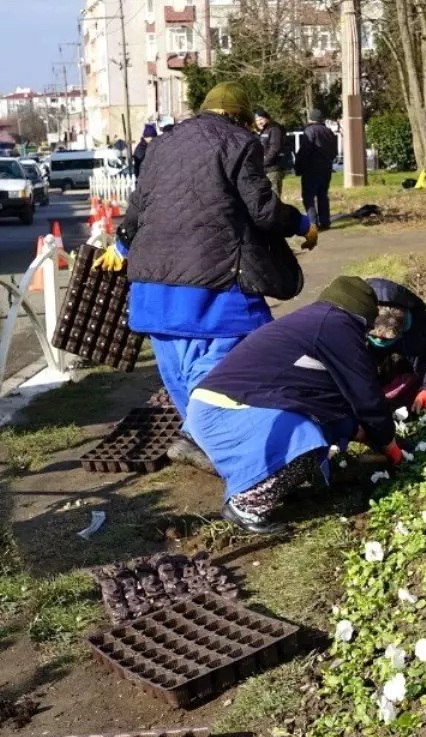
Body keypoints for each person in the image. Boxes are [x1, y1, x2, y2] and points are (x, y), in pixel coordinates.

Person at [96, 81, 318, 471]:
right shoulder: (239, 142)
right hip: (210, 285)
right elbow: (263, 211)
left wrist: (122, 247)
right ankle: (241, 455)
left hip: (151, 287)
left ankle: (199, 439)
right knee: (228, 368)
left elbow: (137, 208)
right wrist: (302, 223)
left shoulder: (162, 143)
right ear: (242, 115)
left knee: (179, 373)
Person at [187, 276, 404, 533]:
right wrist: (389, 443)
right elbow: (366, 395)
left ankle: (274, 481)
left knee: (326, 424)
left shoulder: (319, 320)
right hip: (225, 411)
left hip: (220, 406)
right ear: (364, 317)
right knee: (307, 444)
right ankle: (246, 506)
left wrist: (362, 433)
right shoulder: (338, 327)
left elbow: (334, 400)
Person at [364, 277, 426, 413]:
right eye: (375, 337)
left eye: (386, 338)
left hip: (411, 375)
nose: (379, 341)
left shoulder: (421, 326)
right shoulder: (353, 322)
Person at [296, 108, 337, 230]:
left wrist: (299, 167)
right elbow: (334, 152)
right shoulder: (329, 132)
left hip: (311, 168)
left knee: (308, 197)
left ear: (311, 118)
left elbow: (305, 151)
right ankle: (325, 222)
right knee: (323, 195)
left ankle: (313, 223)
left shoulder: (310, 131)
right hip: (326, 168)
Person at [255, 109, 288, 197]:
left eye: (261, 119)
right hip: (264, 169)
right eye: (257, 120)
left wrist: (263, 163)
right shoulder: (262, 131)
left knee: (274, 197)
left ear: (267, 118)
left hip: (273, 169)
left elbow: (274, 148)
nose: (259, 122)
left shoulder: (274, 129)